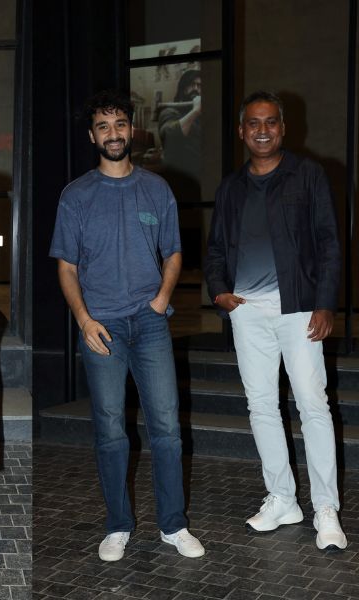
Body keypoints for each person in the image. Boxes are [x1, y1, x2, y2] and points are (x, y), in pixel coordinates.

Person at [50, 89, 205, 562]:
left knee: (167, 428)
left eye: (119, 124)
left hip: (150, 322)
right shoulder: (76, 195)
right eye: (103, 126)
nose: (113, 134)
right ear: (92, 136)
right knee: (111, 429)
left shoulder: (156, 189)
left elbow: (173, 252)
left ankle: (173, 525)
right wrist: (83, 319)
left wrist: (161, 300)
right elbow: (66, 267)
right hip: (101, 326)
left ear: (131, 130)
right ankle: (118, 525)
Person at [204, 91, 346, 551]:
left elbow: (329, 242)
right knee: (262, 406)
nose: (262, 130)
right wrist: (219, 291)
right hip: (247, 311)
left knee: (312, 404)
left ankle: (326, 508)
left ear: (283, 128)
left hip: (299, 307)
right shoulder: (231, 187)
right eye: (253, 123)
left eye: (270, 122)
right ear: (241, 131)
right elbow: (215, 249)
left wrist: (325, 304)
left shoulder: (307, 175)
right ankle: (283, 499)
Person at [158, 68, 202, 202]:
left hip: (199, 180)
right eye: (192, 84)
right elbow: (169, 136)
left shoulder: (203, 117)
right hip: (176, 181)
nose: (196, 89)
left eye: (200, 86)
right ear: (183, 88)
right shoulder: (169, 112)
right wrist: (195, 111)